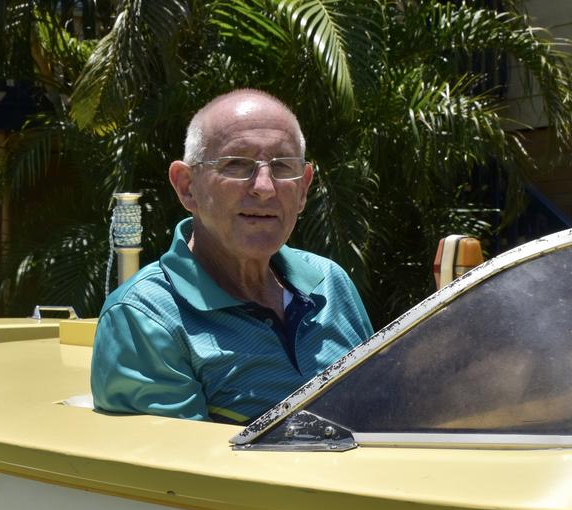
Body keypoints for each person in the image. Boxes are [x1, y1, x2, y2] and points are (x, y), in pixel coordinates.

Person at [91, 89, 372, 425]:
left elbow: (384, 411)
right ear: (187, 186)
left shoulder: (330, 283)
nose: (265, 187)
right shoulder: (146, 317)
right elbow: (176, 472)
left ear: (303, 189)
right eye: (237, 164)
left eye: (283, 167)